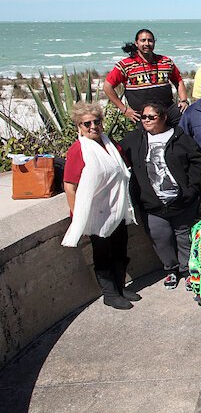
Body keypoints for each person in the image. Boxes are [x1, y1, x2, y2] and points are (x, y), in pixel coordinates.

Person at [62, 102, 139, 310]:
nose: (93, 126)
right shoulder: (79, 150)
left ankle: (120, 287)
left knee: (120, 250)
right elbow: (70, 185)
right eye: (87, 123)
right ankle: (110, 294)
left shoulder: (109, 143)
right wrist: (77, 216)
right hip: (96, 213)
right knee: (103, 255)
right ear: (79, 126)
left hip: (117, 208)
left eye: (97, 121)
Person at [121, 102, 201, 289]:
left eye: (152, 117)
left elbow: (197, 162)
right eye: (144, 117)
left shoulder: (179, 137)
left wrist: (191, 190)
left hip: (182, 201)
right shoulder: (135, 139)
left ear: (163, 117)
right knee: (160, 238)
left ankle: (187, 271)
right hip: (152, 204)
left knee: (184, 238)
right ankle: (171, 269)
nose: (147, 120)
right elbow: (115, 154)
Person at [104, 29, 189, 126]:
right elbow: (107, 86)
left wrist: (183, 100)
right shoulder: (125, 65)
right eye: (143, 40)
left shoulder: (166, 61)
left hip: (168, 112)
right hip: (143, 117)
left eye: (150, 40)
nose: (147, 43)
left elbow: (178, 81)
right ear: (136, 43)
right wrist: (124, 109)